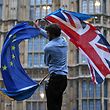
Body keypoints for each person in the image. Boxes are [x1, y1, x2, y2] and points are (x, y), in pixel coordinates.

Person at [35, 20, 68, 110]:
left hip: (55, 79)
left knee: (52, 106)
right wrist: (39, 29)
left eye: (48, 33)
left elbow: (46, 62)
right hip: (63, 79)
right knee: (58, 105)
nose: (47, 35)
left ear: (52, 34)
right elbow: (51, 37)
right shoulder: (64, 41)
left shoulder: (48, 47)